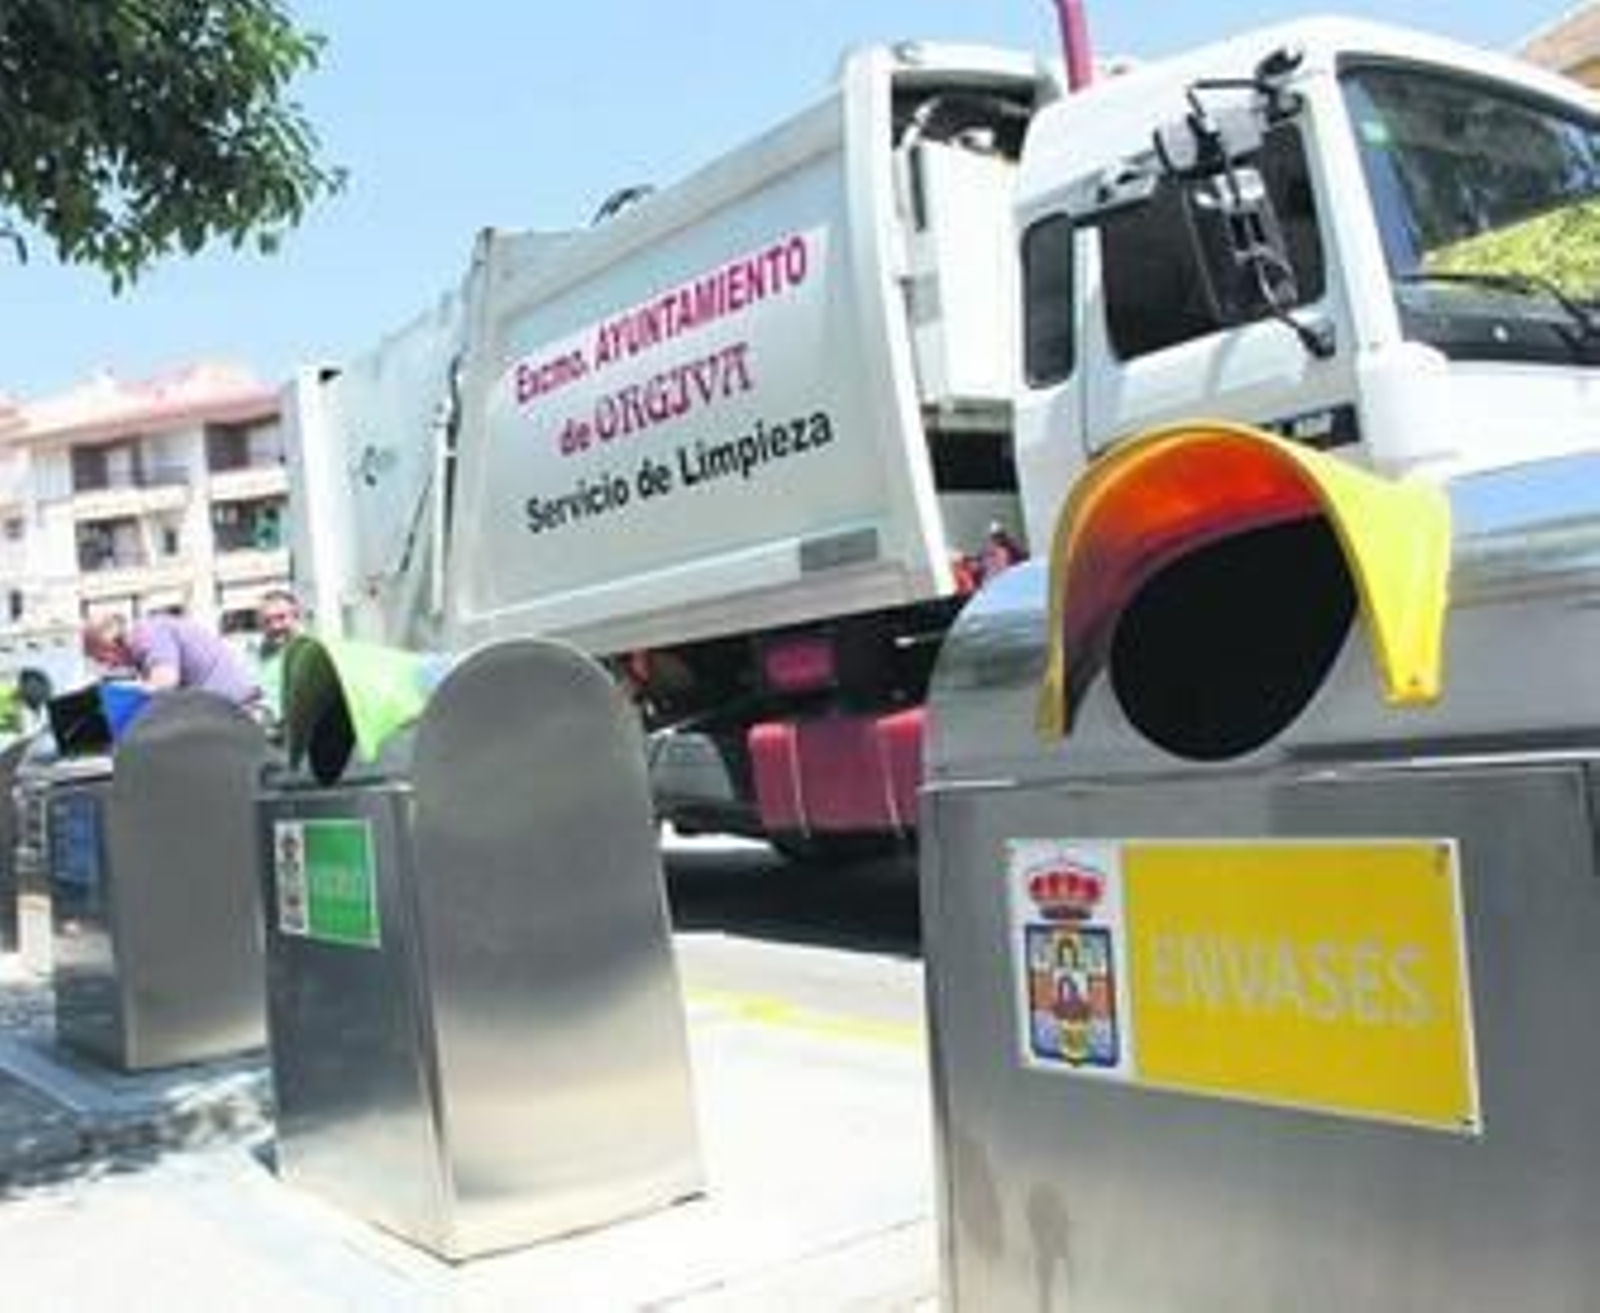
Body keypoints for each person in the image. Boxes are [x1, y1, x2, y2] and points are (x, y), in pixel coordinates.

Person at [81, 611, 260, 709]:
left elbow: (165, 682)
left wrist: (122, 694)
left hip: (230, 709)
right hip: (220, 706)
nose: (109, 666)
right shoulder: (146, 638)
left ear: (111, 641)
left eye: (102, 658)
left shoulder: (145, 634)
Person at [253, 588, 303, 723]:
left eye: (281, 617)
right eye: (267, 621)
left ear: (296, 617)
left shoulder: (310, 653)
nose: (275, 626)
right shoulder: (254, 655)